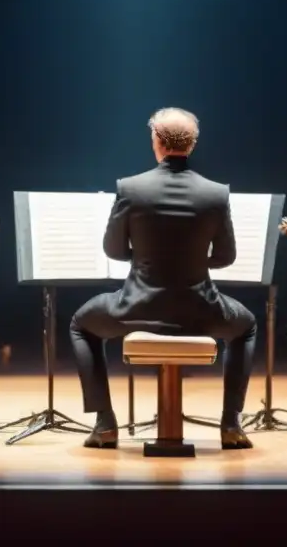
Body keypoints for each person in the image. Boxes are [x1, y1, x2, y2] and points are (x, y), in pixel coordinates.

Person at [70, 107, 257, 450]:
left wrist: (144, 258)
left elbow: (113, 249)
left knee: (81, 324)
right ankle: (231, 425)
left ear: (155, 140)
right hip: (200, 310)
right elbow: (226, 257)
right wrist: (192, 259)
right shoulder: (216, 193)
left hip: (137, 307)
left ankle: (105, 424)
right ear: (193, 145)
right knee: (246, 327)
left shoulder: (130, 188)